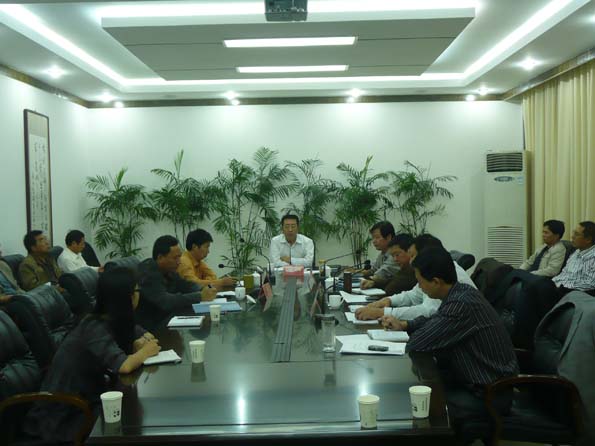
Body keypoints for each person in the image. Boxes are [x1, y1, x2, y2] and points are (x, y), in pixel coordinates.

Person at [383, 248, 518, 434]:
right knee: (416, 390)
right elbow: (438, 320)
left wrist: (411, 330)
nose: (419, 288)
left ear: (436, 282)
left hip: (488, 395)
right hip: (474, 381)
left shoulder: (461, 305)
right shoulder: (460, 292)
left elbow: (418, 343)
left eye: (420, 282)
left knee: (418, 404)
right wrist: (406, 324)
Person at [23, 267, 161, 444]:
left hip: (91, 398)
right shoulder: (93, 326)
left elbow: (148, 336)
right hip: (65, 413)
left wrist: (141, 345)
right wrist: (144, 352)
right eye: (137, 290)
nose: (139, 295)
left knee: (134, 412)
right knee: (131, 419)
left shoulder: (117, 320)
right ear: (128, 296)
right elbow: (124, 366)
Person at [355, 234, 476, 322]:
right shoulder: (431, 270)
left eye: (413, 256)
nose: (410, 261)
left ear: (427, 255)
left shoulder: (442, 274)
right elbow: (414, 295)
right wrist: (389, 301)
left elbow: (427, 311)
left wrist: (382, 313)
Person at [136, 235, 217, 331]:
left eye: (179, 257)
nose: (179, 262)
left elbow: (185, 285)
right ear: (160, 257)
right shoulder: (148, 273)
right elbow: (166, 301)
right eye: (175, 258)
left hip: (169, 320)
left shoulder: (169, 270)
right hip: (151, 328)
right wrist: (199, 296)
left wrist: (204, 289)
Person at [553, 221, 595, 295]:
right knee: (537, 284)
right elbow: (564, 274)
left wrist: (564, 287)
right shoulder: (576, 252)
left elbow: (591, 284)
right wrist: (552, 283)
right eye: (573, 233)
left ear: (588, 239)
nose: (572, 237)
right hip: (558, 287)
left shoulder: (593, 257)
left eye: (576, 234)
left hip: (573, 292)